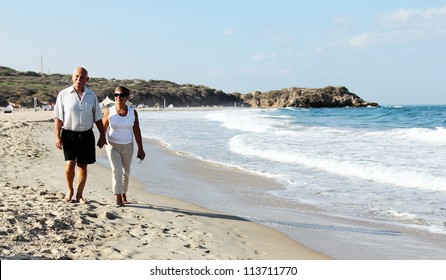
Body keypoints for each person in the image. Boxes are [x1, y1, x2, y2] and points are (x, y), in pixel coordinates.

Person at [53, 67, 106, 204]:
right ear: (72, 77)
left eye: (82, 77)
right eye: (76, 76)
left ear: (86, 79)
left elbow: (98, 118)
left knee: (83, 166)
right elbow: (58, 117)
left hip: (87, 135)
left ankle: (80, 195)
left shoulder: (91, 95)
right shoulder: (63, 94)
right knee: (69, 164)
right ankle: (69, 190)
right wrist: (57, 136)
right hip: (69, 134)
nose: (79, 79)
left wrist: (102, 135)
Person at [102, 86, 145, 207]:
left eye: (121, 95)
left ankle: (123, 194)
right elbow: (103, 128)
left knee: (126, 172)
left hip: (128, 145)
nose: (117, 97)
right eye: (115, 95)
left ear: (127, 97)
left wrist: (141, 149)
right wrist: (101, 139)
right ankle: (118, 198)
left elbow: (137, 131)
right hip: (112, 145)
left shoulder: (132, 112)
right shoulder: (109, 111)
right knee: (117, 170)